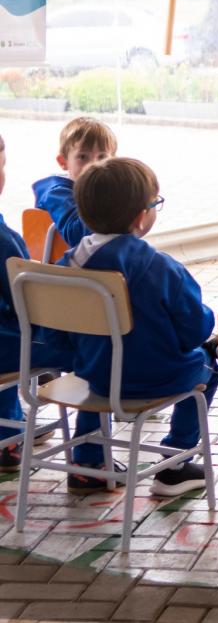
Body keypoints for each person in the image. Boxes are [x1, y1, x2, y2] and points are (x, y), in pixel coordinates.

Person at [54, 158, 218, 496]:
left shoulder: (66, 264)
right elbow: (195, 329)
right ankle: (175, 461)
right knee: (208, 365)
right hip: (152, 378)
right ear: (142, 216)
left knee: (98, 362)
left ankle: (89, 459)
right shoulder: (159, 266)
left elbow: (56, 331)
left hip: (93, 376)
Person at [0, 133, 79, 468]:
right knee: (87, 344)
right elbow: (28, 304)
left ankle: (12, 428)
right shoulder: (4, 241)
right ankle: (92, 455)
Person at [32, 116, 116, 247]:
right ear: (63, 162)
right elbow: (76, 236)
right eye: (83, 157)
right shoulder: (58, 194)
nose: (94, 165)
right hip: (61, 266)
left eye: (102, 157)